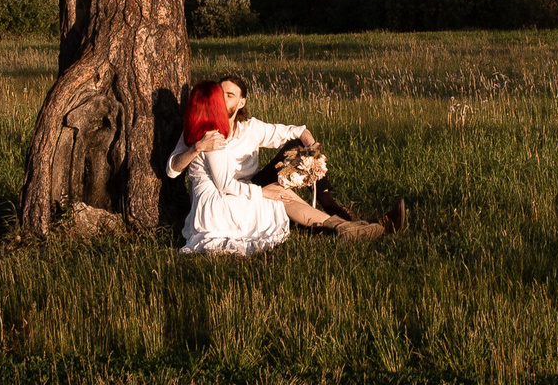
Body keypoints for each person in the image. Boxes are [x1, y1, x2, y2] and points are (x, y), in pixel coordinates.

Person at [165, 75, 402, 254]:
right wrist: (197, 148)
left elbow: (296, 131)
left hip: (245, 185)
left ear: (241, 102)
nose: (224, 99)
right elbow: (174, 169)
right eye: (221, 95)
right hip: (226, 195)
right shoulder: (207, 134)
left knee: (294, 150)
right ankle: (346, 226)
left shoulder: (249, 128)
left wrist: (312, 151)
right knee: (280, 195)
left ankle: (335, 211)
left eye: (230, 95)